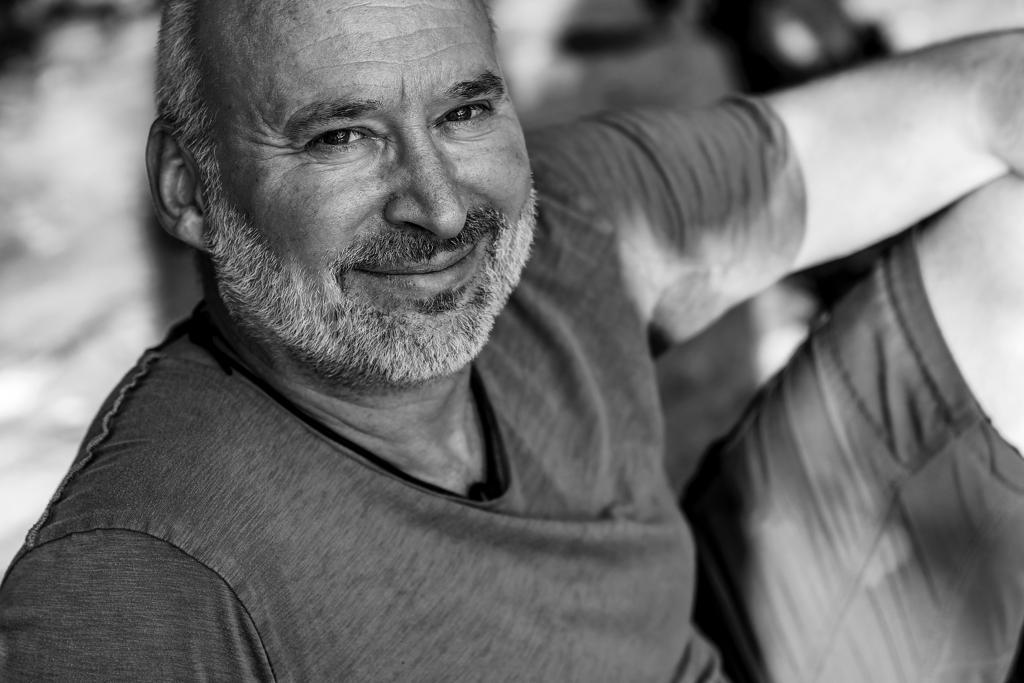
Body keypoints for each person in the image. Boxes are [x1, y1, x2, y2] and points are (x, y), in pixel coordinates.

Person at [0, 0, 1022, 680]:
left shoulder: (572, 227)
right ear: (188, 186)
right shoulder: (140, 582)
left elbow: (975, 101)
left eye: (463, 111)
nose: (442, 208)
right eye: (339, 136)